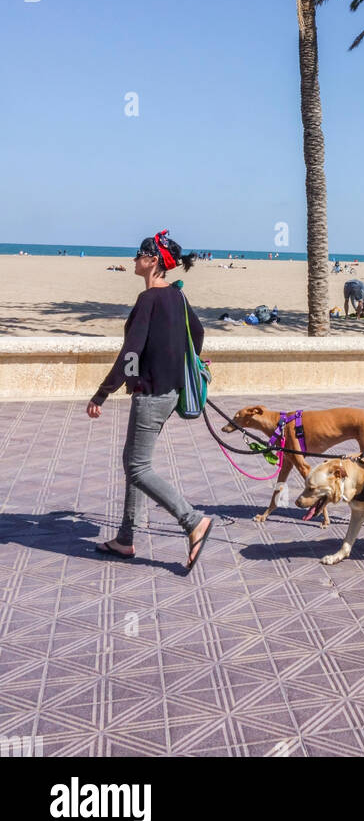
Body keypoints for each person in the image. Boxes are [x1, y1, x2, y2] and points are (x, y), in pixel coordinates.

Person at [86, 231, 213, 570]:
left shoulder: (149, 300)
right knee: (135, 461)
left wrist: (104, 391)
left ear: (153, 261)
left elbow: (131, 353)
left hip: (151, 393)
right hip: (171, 393)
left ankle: (192, 521)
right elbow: (197, 334)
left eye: (139, 254)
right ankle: (125, 539)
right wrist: (179, 363)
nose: (134, 259)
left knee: (137, 466)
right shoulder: (177, 296)